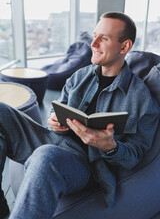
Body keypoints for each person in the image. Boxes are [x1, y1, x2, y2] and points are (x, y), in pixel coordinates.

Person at [0, 12, 159, 219]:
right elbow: (58, 108)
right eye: (95, 35)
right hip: (54, 139)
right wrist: (54, 121)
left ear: (124, 47)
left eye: (104, 38)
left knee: (45, 156)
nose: (93, 43)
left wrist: (110, 147)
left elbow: (135, 154)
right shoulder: (80, 76)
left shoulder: (142, 100)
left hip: (85, 162)